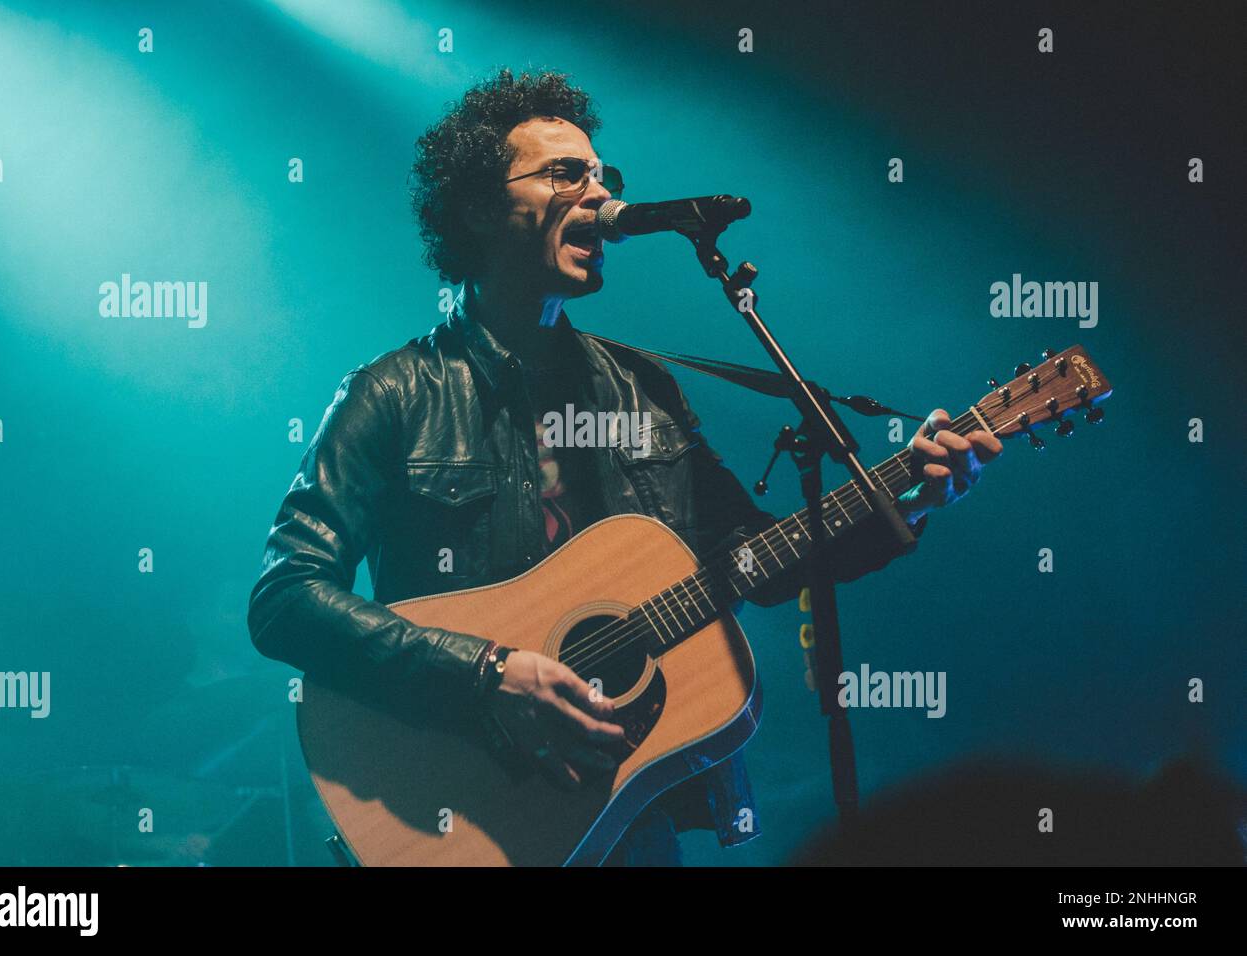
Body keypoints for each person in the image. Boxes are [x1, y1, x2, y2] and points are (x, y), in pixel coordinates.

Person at [247, 68, 1002, 866]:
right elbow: (285, 597)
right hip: (462, 809)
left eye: (604, 177)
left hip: (628, 811)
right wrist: (489, 671)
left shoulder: (642, 388)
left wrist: (906, 496)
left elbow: (761, 560)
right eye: (565, 174)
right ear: (477, 208)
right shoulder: (394, 393)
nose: (598, 195)